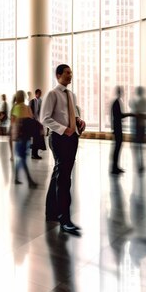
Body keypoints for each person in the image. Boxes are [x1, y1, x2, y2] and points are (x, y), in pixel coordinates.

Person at [41, 64, 86, 236]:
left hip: (72, 138)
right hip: (59, 138)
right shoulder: (52, 94)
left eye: (71, 73)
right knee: (64, 178)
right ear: (58, 75)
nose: (70, 75)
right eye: (67, 73)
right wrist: (63, 129)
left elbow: (72, 115)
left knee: (59, 173)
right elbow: (44, 118)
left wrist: (79, 121)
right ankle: (64, 219)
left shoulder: (71, 96)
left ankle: (51, 212)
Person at [11, 90, 37, 188]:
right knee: (22, 157)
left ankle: (17, 178)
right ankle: (28, 180)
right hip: (27, 137)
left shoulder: (15, 108)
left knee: (21, 158)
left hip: (19, 137)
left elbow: (13, 123)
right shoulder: (27, 108)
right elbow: (32, 118)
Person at [129, 86, 146, 172]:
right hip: (142, 124)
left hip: (136, 124)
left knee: (137, 146)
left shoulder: (135, 100)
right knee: (141, 146)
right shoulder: (145, 101)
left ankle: (139, 165)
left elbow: (131, 106)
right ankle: (141, 165)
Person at [110, 86, 131, 175]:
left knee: (117, 148)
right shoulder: (116, 102)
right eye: (121, 91)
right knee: (117, 148)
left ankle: (116, 167)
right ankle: (114, 168)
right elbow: (119, 116)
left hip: (117, 128)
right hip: (118, 128)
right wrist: (130, 114)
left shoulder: (116, 102)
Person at [29, 89, 43, 159]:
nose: (40, 94)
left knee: (37, 139)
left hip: (39, 122)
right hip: (34, 123)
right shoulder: (32, 101)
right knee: (35, 139)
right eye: (39, 93)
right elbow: (30, 113)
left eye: (41, 93)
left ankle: (35, 154)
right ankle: (33, 154)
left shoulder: (41, 101)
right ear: (36, 93)